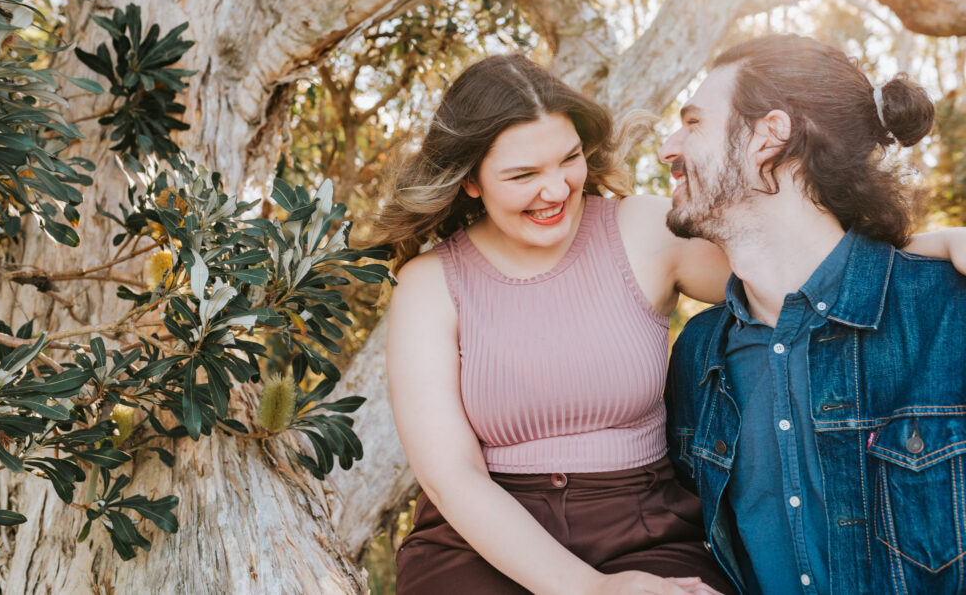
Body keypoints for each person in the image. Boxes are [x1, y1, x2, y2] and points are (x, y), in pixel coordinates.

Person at [376, 52, 963, 595]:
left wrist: (930, 245)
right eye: (523, 174)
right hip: (482, 542)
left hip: (644, 527)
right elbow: (451, 475)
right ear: (471, 180)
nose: (556, 189)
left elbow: (793, 264)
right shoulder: (431, 285)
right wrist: (590, 590)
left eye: (570, 159)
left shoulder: (644, 231)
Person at [660, 34, 966, 594]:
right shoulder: (696, 358)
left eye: (694, 123)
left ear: (768, 137)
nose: (668, 147)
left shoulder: (950, 311)